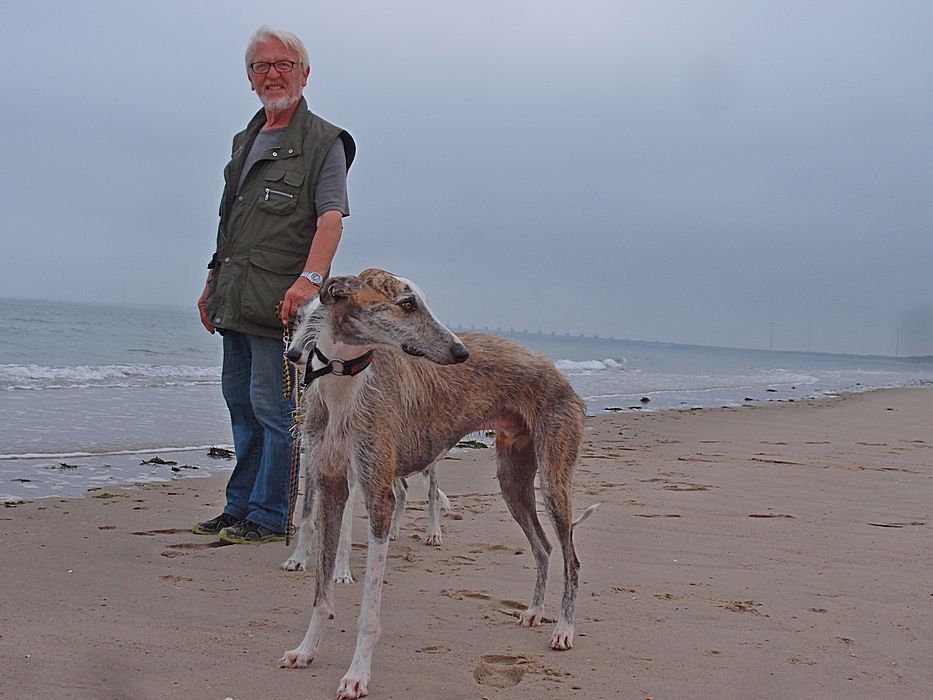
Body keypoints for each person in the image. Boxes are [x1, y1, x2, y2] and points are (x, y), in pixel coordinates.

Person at [194, 26, 355, 544]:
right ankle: (239, 505)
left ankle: (269, 514)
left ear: (304, 74)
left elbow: (330, 220)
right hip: (235, 297)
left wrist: (309, 281)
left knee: (275, 410)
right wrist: (212, 282)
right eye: (261, 66)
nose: (272, 74)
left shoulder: (324, 142)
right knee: (240, 405)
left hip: (282, 304)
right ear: (249, 78)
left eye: (284, 64)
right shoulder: (245, 140)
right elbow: (231, 225)